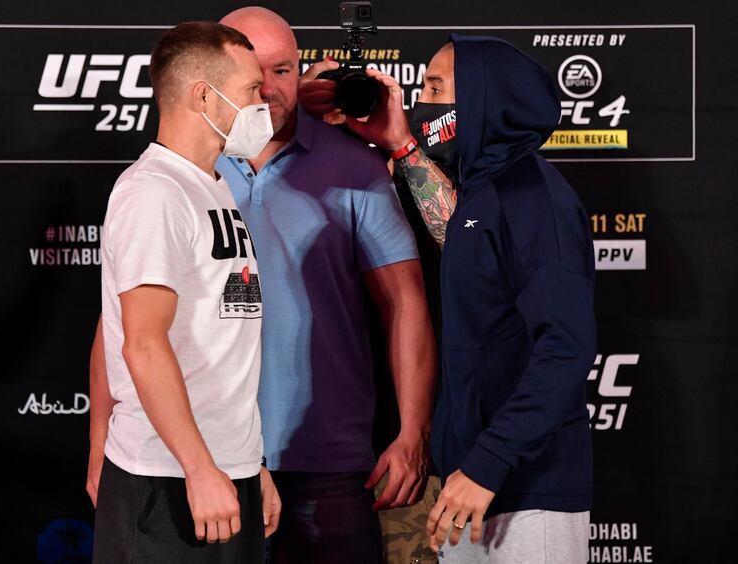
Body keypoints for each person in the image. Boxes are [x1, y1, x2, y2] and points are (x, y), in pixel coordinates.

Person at [303, 35, 596, 564]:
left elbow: (567, 347)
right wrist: (398, 144)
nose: (425, 104)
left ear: (485, 98)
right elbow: (459, 236)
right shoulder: (485, 194)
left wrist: (488, 464)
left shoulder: (535, 196)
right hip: (469, 484)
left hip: (528, 491)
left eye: (437, 88)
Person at [213, 7, 438, 563]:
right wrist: (102, 446)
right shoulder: (191, 168)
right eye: (251, 71)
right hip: (210, 453)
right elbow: (128, 317)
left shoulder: (355, 167)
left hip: (330, 461)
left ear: (303, 74)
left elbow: (405, 303)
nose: (267, 89)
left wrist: (412, 433)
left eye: (284, 71)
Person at [88, 21, 281, 564]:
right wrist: (200, 466)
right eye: (250, 91)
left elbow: (217, 341)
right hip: (168, 480)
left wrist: (248, 463)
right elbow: (140, 343)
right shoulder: (154, 193)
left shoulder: (213, 185)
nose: (260, 103)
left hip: (224, 471)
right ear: (203, 95)